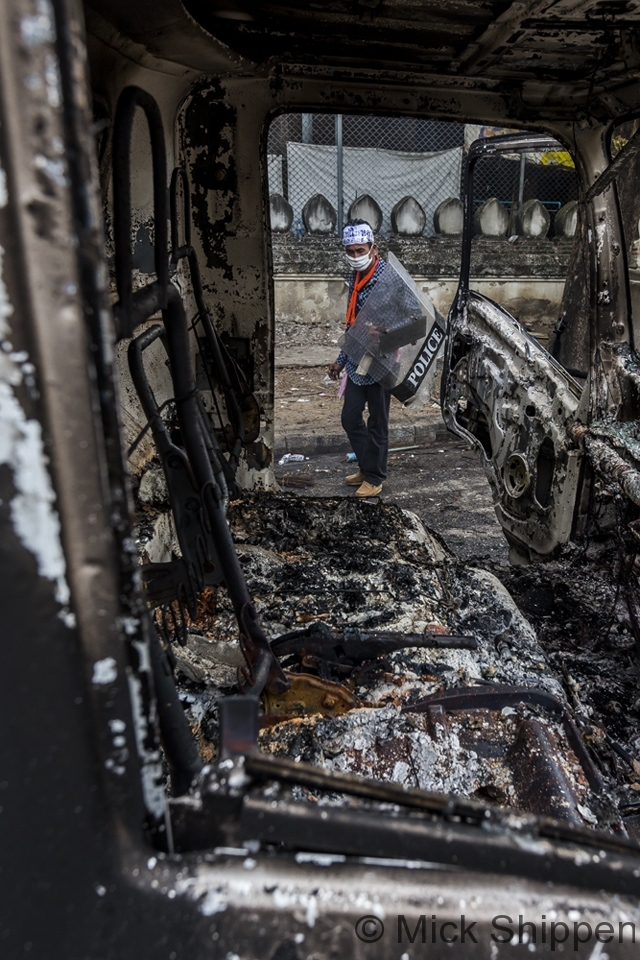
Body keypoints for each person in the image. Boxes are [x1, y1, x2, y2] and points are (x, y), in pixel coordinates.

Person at [328, 219, 390, 499]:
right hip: (356, 361)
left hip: (382, 360)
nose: (355, 256)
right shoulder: (355, 278)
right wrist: (341, 359)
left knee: (377, 421)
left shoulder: (388, 279)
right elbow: (353, 326)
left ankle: (375, 478)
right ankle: (367, 466)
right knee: (351, 416)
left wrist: (386, 331)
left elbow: (414, 319)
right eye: (350, 251)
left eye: (360, 250)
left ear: (373, 247)